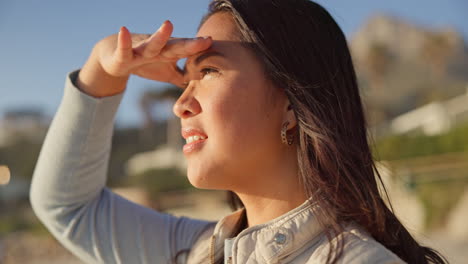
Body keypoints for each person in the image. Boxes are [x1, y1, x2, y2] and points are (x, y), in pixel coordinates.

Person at [30, 0, 447, 263]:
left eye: (208, 71)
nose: (180, 103)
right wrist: (102, 69)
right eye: (185, 80)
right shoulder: (199, 251)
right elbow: (67, 208)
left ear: (290, 102)